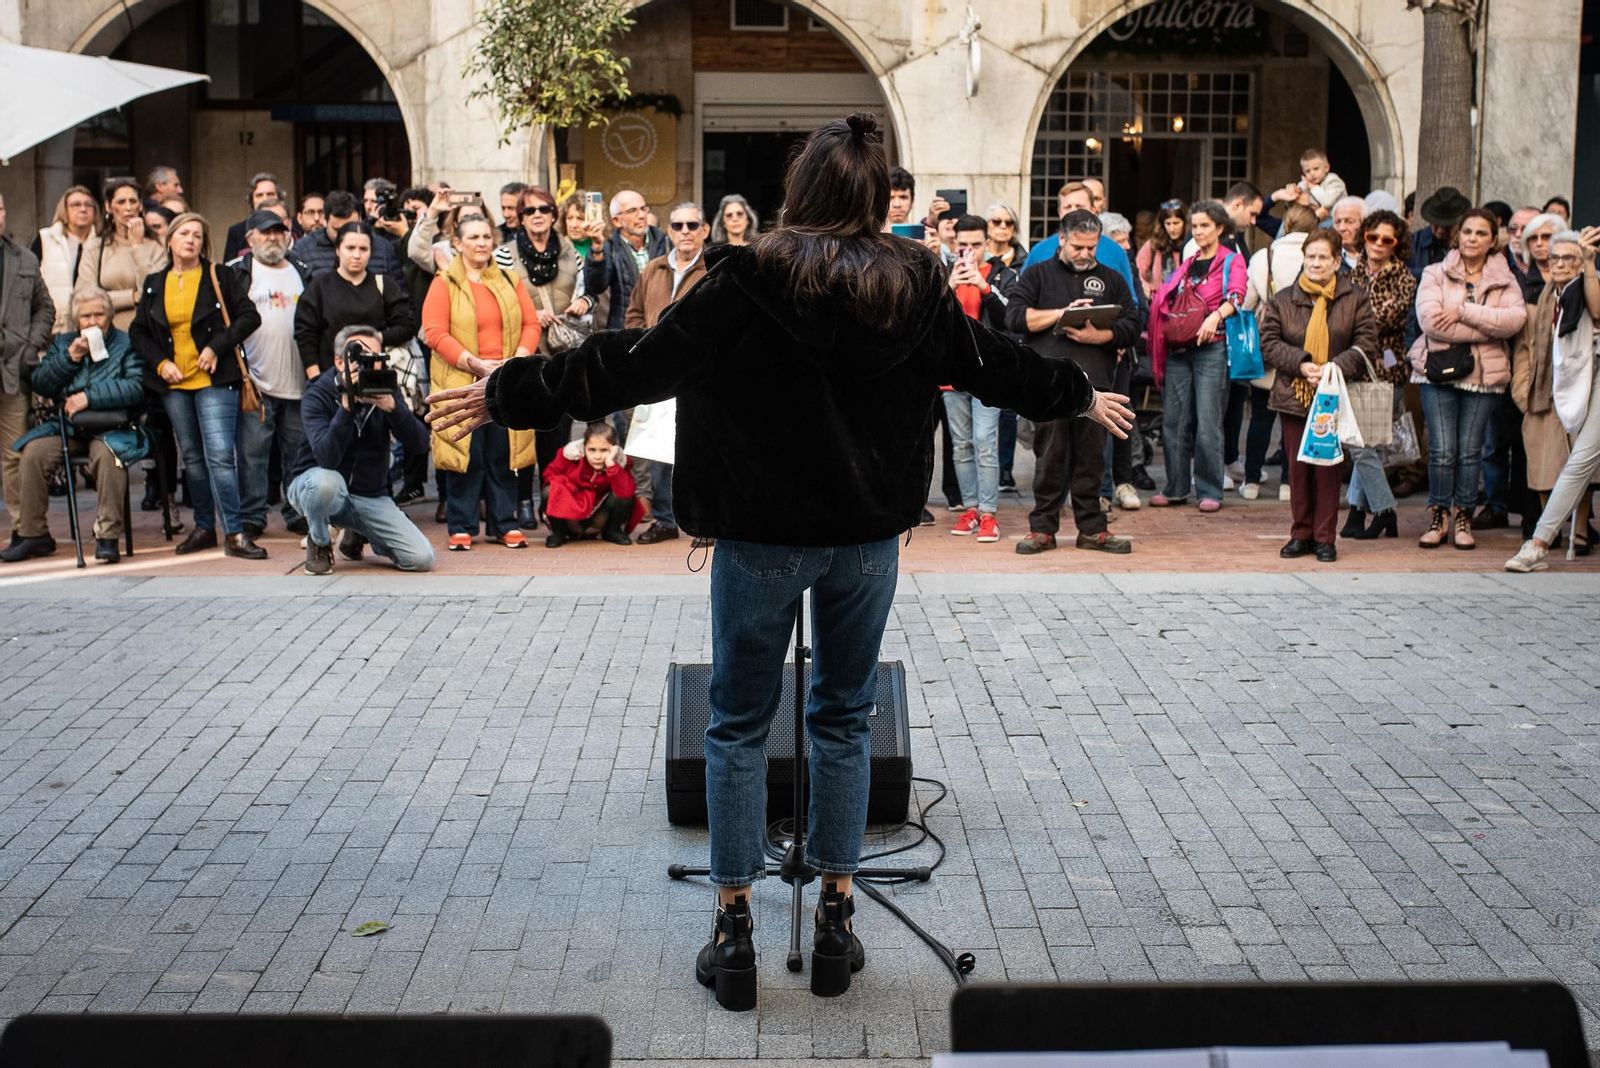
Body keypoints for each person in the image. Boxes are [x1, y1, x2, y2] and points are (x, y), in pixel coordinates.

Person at [425, 112, 1132, 1011]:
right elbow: (995, 364)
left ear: (798, 193)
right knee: (842, 719)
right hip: (864, 540)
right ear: (877, 198)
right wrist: (1078, 391)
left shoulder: (747, 278)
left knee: (738, 725)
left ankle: (735, 934)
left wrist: (511, 391)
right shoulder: (913, 281)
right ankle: (837, 921)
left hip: (761, 539)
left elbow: (634, 364)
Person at [129, 212, 265, 559]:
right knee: (192, 458)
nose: (191, 240)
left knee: (219, 455)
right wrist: (161, 363)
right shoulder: (154, 282)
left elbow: (250, 316)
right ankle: (204, 527)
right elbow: (139, 332)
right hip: (174, 383)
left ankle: (235, 533)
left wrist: (215, 347)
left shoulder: (220, 275)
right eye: (184, 234)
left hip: (215, 379)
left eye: (197, 235)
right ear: (170, 240)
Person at [1009, 209, 1141, 554]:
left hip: (1097, 384)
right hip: (1050, 382)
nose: (1085, 254)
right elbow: (1014, 317)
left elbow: (1133, 323)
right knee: (1049, 456)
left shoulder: (1111, 278)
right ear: (1062, 239)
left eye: (1091, 248)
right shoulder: (1037, 274)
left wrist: (1101, 336)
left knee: (1092, 459)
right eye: (1079, 247)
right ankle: (1042, 528)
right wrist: (1062, 314)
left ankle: (1092, 529)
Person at [1408, 208, 1528, 549]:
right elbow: (1430, 321)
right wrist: (1486, 326)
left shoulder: (1505, 276)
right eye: (1467, 232)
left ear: (1493, 240)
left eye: (1481, 233)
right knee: (1443, 450)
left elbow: (1514, 321)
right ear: (1457, 235)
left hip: (1485, 377)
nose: (1472, 238)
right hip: (1438, 372)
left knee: (1471, 451)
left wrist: (1463, 311)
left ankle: (1464, 515)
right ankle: (1439, 513)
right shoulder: (1435, 272)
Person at [1258, 229, 1379, 562]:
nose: (1315, 263)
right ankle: (1300, 533)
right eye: (1310, 256)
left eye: (1323, 257)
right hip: (1294, 393)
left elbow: (1367, 344)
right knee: (1298, 467)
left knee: (1328, 467)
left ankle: (1325, 538)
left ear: (1337, 261)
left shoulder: (1355, 298)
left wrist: (1332, 368)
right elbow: (1268, 343)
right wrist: (1303, 364)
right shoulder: (1283, 299)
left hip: (1334, 394)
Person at [423, 213, 541, 551]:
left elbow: (531, 325)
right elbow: (434, 332)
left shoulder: (509, 279)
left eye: (486, 237)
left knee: (502, 453)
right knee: (466, 453)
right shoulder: (444, 282)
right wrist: (474, 363)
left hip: (504, 379)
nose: (481, 243)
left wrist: (514, 360)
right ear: (457, 243)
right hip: (462, 379)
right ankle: (462, 525)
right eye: (473, 237)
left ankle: (505, 524)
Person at [2, 288, 145, 564]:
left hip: (110, 426)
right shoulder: (63, 343)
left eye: (99, 315)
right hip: (68, 427)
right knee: (32, 454)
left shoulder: (125, 344)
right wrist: (70, 358)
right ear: (76, 320)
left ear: (110, 316)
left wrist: (89, 397)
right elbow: (41, 383)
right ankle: (34, 534)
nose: (92, 322)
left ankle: (107, 535)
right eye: (85, 316)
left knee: (108, 457)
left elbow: (136, 387)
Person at [287, 325, 435, 575]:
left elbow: (420, 444)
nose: (367, 365)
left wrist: (393, 408)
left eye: (374, 358)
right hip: (317, 486)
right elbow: (326, 458)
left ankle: (360, 532)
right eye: (358, 357)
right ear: (338, 361)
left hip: (368, 494)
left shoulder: (385, 386)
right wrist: (346, 407)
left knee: (421, 558)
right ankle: (320, 541)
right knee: (327, 483)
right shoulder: (318, 393)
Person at [1505, 228, 1600, 571]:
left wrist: (1588, 263)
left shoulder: (1589, 280)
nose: (1558, 263)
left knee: (1579, 461)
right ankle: (1539, 544)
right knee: (1579, 462)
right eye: (1554, 257)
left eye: (1567, 258)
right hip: (1586, 379)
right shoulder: (1554, 294)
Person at [495, 185, 589, 526]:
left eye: (544, 210)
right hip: (523, 351)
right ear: (520, 218)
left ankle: (550, 501)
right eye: (530, 210)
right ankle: (523, 500)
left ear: (553, 214)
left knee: (557, 431)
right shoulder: (503, 255)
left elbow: (588, 291)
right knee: (522, 426)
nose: (537, 216)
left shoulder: (571, 252)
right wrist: (530, 315)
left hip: (562, 354)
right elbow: (498, 302)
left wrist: (584, 303)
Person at [1148, 200, 1249, 512]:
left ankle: (1209, 490)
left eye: (1205, 225)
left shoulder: (1232, 261)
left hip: (1213, 349)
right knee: (1174, 422)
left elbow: (1238, 295)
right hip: (1179, 349)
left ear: (1220, 228)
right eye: (1196, 226)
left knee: (1208, 422)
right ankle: (1176, 488)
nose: (1199, 231)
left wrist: (1215, 316)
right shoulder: (1188, 262)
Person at [622, 202, 710, 545]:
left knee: (701, 448)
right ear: (669, 231)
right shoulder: (653, 270)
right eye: (678, 225)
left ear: (704, 230)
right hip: (658, 373)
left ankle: (705, 523)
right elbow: (633, 314)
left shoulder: (713, 269)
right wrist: (639, 352)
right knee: (658, 451)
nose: (685, 231)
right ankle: (664, 519)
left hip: (700, 374)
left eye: (692, 225)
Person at [232, 210, 314, 539]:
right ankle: (252, 515)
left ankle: (296, 513)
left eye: (279, 231)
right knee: (252, 454)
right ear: (250, 238)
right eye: (266, 232)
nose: (273, 237)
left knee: (296, 452)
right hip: (256, 382)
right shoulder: (238, 273)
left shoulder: (302, 271)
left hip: (298, 381)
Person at [941, 214, 1019, 544]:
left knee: (986, 443)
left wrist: (985, 287)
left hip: (988, 373)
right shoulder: (943, 275)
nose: (969, 251)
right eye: (963, 245)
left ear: (987, 242)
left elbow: (1011, 319)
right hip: (952, 373)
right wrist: (950, 287)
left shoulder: (1005, 274)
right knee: (961, 446)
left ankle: (988, 513)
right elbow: (927, 317)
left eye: (976, 244)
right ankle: (970, 508)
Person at [1343, 209, 1418, 539]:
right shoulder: (1351, 272)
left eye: (1386, 239)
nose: (1377, 244)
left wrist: (1349, 317)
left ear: (1396, 244)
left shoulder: (1404, 278)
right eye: (1372, 237)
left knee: (1361, 442)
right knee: (1365, 442)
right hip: (1354, 365)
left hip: (1386, 369)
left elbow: (1379, 320)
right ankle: (1357, 514)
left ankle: (1384, 509)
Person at [1240, 204, 1320, 501]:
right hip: (1305, 345)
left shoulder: (1265, 256)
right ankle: (1289, 482)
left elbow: (1248, 303)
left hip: (1269, 344)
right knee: (1295, 414)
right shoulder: (1314, 256)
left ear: (1285, 224)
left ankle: (1251, 482)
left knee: (1261, 416)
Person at [0, 191, 58, 551]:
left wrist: (30, 346)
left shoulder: (23, 258)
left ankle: (28, 530)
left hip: (12, 371)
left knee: (14, 456)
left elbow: (45, 308)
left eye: (0, 207)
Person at [294, 223, 412, 376]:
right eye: (350, 248)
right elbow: (306, 333)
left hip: (374, 377)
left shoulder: (384, 284)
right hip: (330, 376)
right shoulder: (320, 286)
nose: (357, 255)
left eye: (363, 249)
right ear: (337, 250)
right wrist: (315, 377)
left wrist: (373, 339)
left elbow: (406, 326)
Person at [1022, 183, 1138, 301]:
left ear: (1093, 210)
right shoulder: (1040, 251)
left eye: (1079, 206)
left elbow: (1129, 302)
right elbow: (1022, 301)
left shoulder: (1115, 251)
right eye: (1068, 207)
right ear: (1059, 212)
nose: (1073, 212)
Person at [77, 177, 165, 332]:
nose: (128, 207)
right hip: (107, 333)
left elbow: (155, 293)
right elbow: (85, 297)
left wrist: (137, 247)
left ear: (140, 206)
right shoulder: (95, 247)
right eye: (121, 202)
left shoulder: (157, 246)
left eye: (133, 201)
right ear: (109, 206)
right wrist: (131, 297)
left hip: (148, 332)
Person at [542, 422, 645, 547]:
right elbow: (549, 474)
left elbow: (626, 491)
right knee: (549, 490)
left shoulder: (619, 461)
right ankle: (558, 533)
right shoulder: (569, 455)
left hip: (599, 516)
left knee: (624, 495)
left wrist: (611, 464)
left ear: (613, 449)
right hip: (571, 511)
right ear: (584, 447)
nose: (597, 456)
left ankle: (613, 531)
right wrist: (570, 487)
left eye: (604, 450)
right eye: (592, 450)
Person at [578, 190, 669, 331]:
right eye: (632, 211)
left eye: (644, 209)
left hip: (662, 327)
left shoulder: (666, 243)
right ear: (616, 221)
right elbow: (596, 286)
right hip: (624, 331)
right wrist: (596, 246)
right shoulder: (610, 248)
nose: (641, 215)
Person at [292, 190, 407, 290]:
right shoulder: (303, 250)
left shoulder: (383, 248)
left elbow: (400, 296)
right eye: (338, 230)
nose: (346, 238)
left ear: (360, 219)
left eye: (351, 229)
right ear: (325, 221)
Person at [32, 186, 101, 333]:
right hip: (52, 326)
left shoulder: (104, 243)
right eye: (76, 205)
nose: (83, 209)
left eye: (88, 205)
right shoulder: (45, 239)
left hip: (92, 325)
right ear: (64, 210)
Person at [1409, 187, 1470, 280]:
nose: (1441, 230)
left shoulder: (1469, 244)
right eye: (1436, 225)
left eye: (1447, 226)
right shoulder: (1414, 242)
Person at [222, 173, 282, 262]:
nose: (265, 199)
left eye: (270, 194)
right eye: (259, 195)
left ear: (279, 198)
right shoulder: (237, 232)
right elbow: (228, 270)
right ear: (251, 200)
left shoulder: (293, 226)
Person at [1136, 199, 1186, 297]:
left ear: (1185, 222)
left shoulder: (1192, 244)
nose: (1172, 229)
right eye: (1168, 223)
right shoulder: (1154, 244)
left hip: (1184, 302)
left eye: (1176, 223)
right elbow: (1137, 271)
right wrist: (1149, 291)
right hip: (1158, 301)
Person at [1514, 212, 1564, 304]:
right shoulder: (1518, 281)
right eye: (1533, 238)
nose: (1539, 243)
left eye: (1546, 237)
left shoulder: (1575, 277)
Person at [1296, 149, 1347, 222]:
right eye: (1308, 171)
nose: (1312, 173)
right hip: (1317, 219)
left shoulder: (1334, 181)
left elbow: (1327, 201)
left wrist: (1312, 186)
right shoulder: (1305, 183)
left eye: (1316, 169)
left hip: (1337, 221)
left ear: (1326, 168)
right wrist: (1293, 193)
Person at [983, 202, 1027, 269]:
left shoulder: (1024, 261)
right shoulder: (976, 257)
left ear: (1014, 228)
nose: (1003, 226)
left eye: (1009, 223)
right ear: (987, 225)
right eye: (996, 221)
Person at [1331, 196, 1367, 271]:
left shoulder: (1374, 254)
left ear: (1364, 223)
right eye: (1337, 222)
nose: (1342, 228)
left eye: (1349, 222)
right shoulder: (1326, 254)